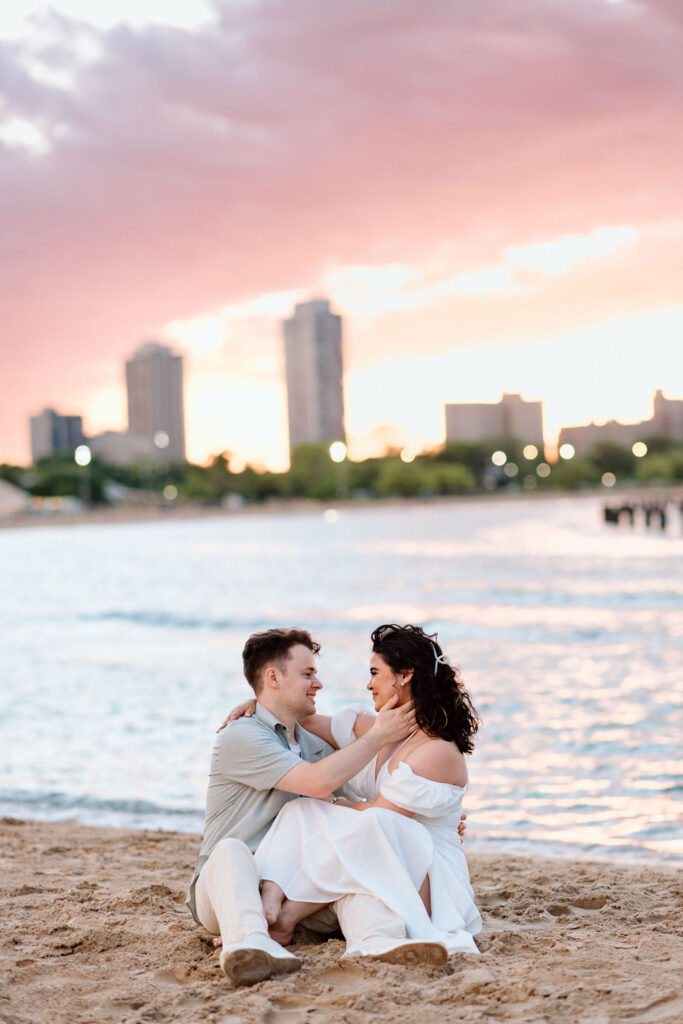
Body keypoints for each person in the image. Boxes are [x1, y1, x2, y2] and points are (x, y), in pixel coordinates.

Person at [187, 627, 449, 988]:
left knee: (360, 867)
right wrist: (378, 735)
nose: (319, 684)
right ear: (273, 677)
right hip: (230, 891)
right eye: (308, 674)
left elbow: (349, 813)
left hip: (298, 892)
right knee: (230, 851)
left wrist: (428, 814)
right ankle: (249, 940)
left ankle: (376, 941)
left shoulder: (316, 748)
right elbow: (317, 784)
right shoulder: (242, 735)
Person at [244, 624, 482, 956]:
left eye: (375, 673)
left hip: (428, 877)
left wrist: (336, 805)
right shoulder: (373, 727)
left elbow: (385, 815)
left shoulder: (438, 751)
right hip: (380, 854)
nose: (369, 684)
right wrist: (259, 703)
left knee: (371, 823)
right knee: (299, 809)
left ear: (405, 676)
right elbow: (302, 717)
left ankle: (289, 912)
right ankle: (273, 890)